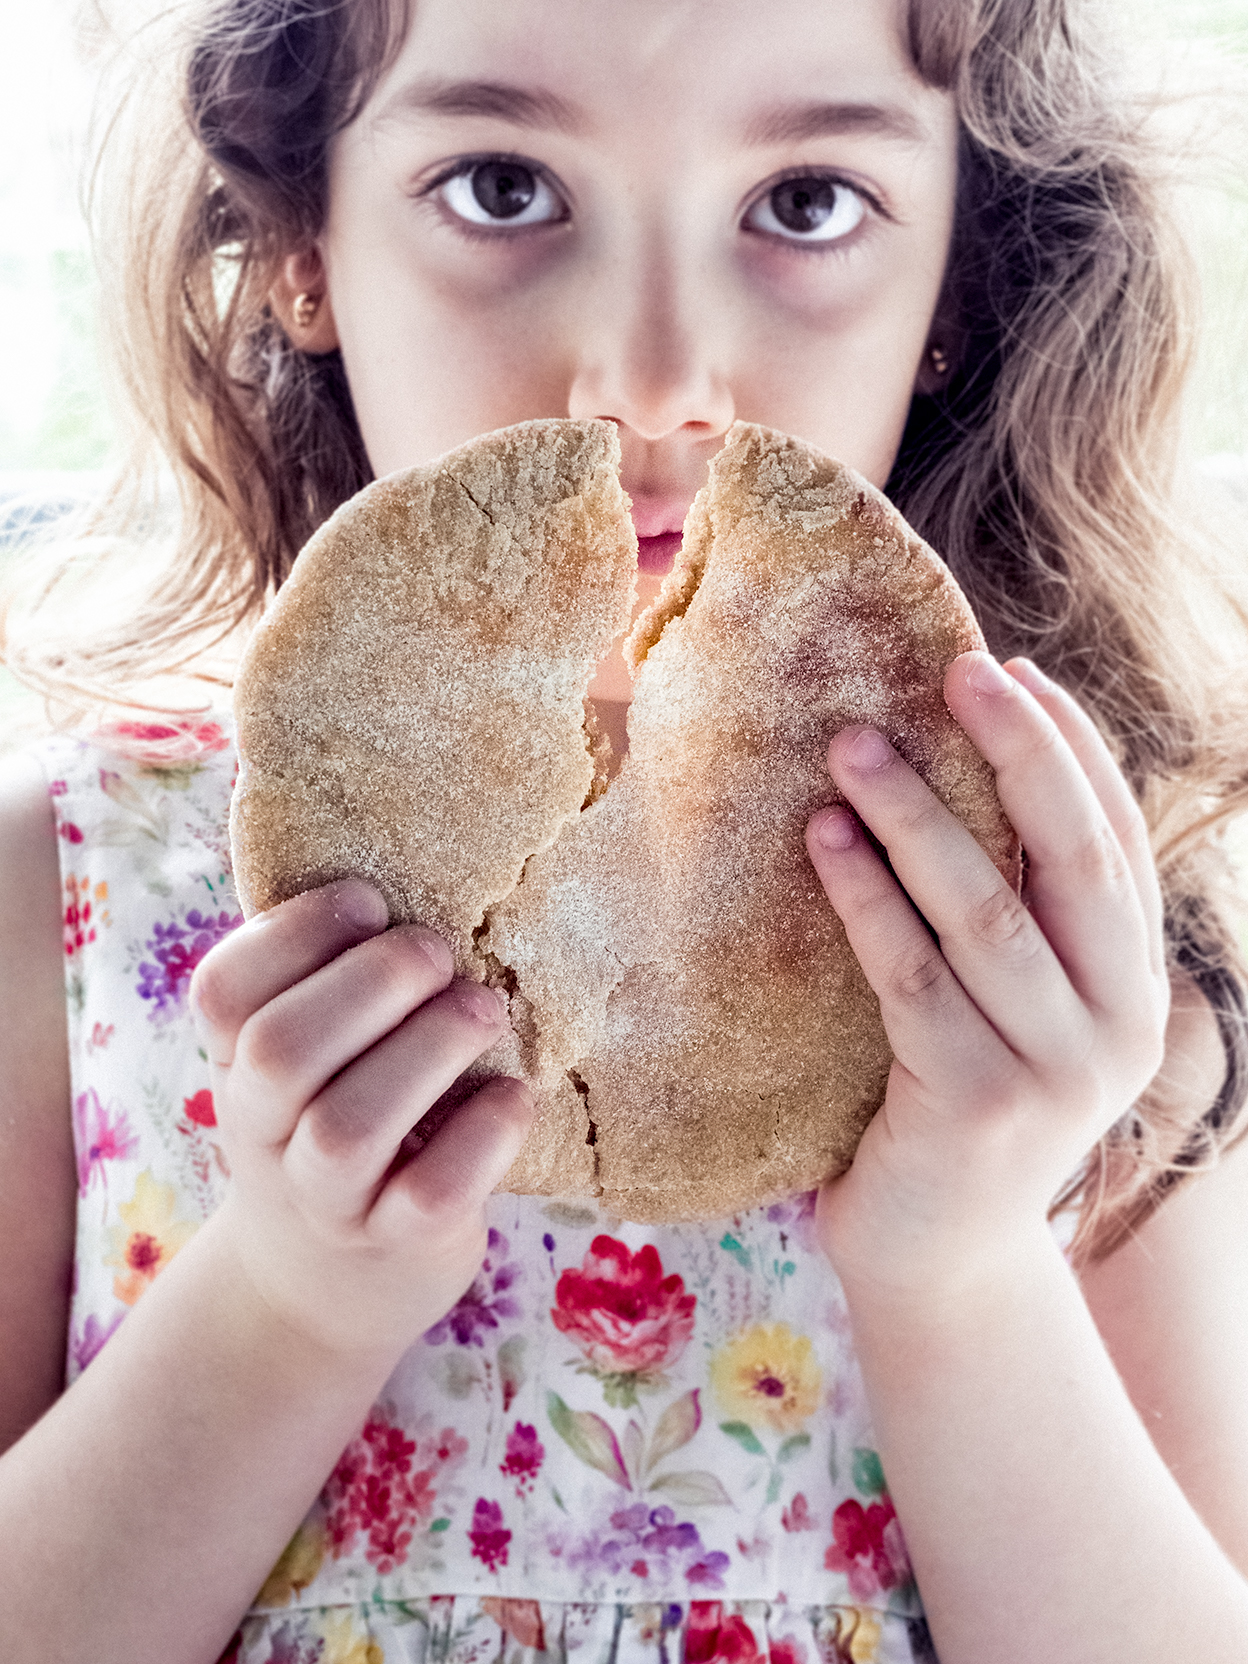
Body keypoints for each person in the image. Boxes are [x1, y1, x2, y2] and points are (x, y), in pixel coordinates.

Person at [2, 0, 1248, 1659]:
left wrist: (961, 1266)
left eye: (803, 204)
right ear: (303, 244)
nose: (653, 377)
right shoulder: (73, 888)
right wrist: (291, 1297)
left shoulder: (1060, 956)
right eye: (505, 187)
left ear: (958, 282)